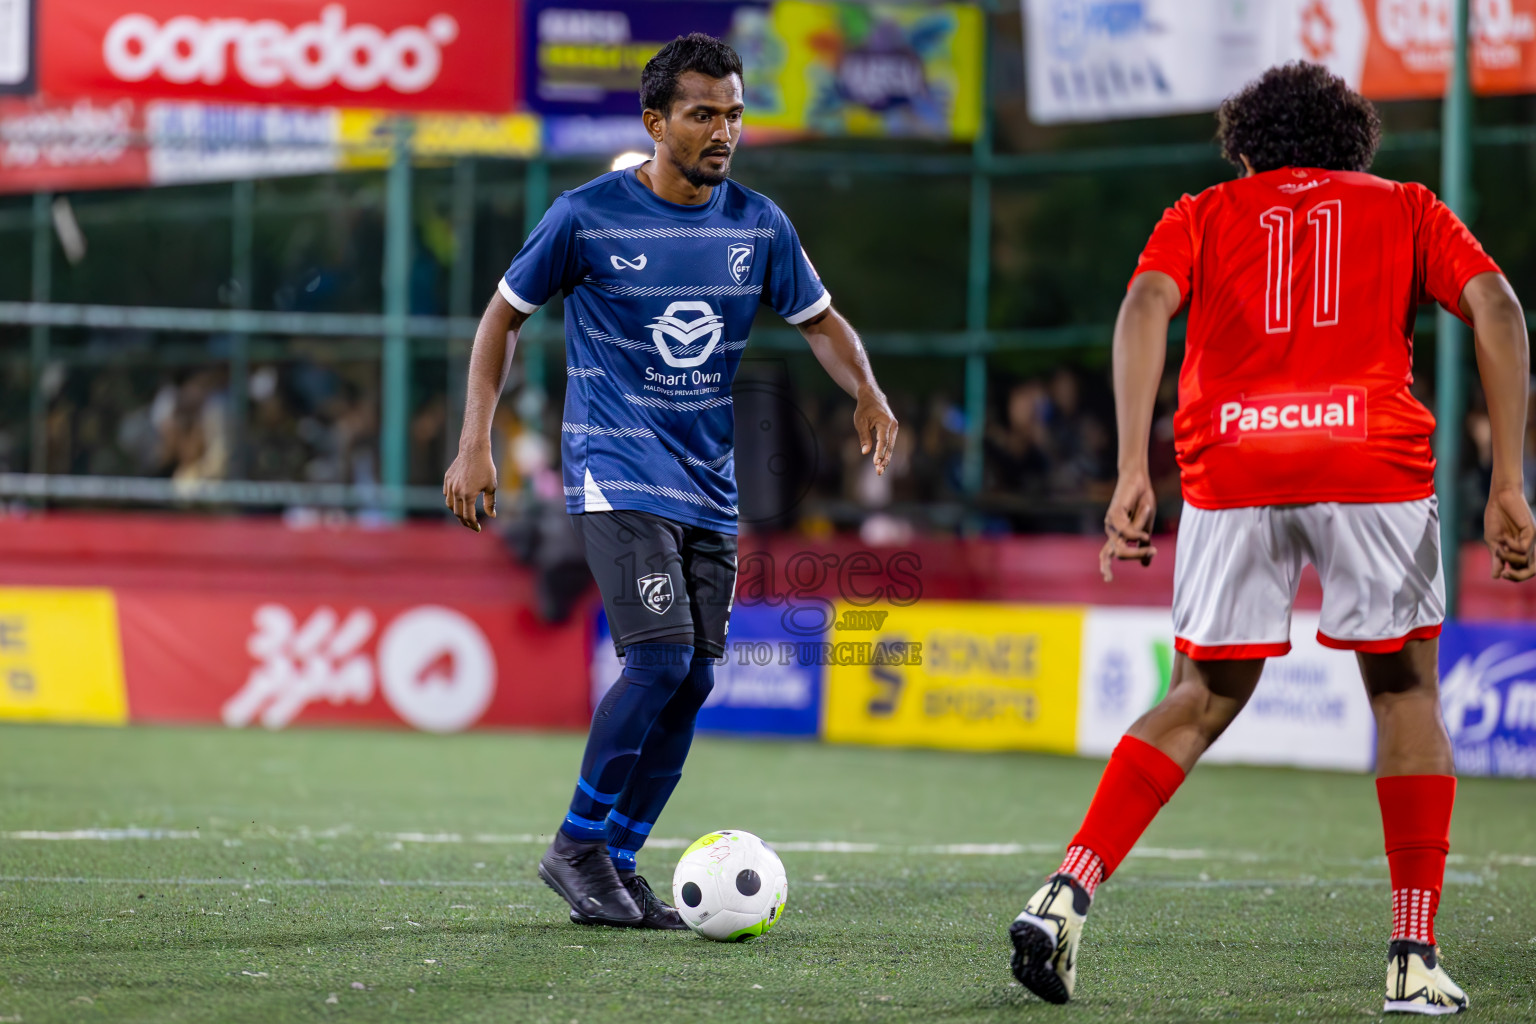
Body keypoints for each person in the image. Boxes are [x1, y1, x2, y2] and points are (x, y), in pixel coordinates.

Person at [1007, 63, 1534, 1015]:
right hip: (1369, 457)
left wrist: (1133, 467)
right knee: (1405, 688)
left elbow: (1141, 309)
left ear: (1246, 149)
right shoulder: (1408, 206)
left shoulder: (1204, 211)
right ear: (1353, 147)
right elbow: (1497, 306)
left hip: (1235, 459)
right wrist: (1507, 481)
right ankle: (1411, 960)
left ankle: (1066, 890)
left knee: (1202, 692)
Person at [443, 33, 898, 929]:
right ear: (656, 122)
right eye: (702, 113)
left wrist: (870, 393)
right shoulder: (585, 216)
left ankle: (615, 857)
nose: (723, 130)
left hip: (709, 487)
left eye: (733, 113)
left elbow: (822, 322)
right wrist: (475, 441)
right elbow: (502, 318)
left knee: (693, 680)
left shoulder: (759, 225)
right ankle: (575, 845)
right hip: (616, 471)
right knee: (656, 658)